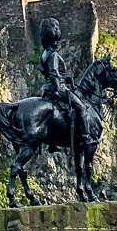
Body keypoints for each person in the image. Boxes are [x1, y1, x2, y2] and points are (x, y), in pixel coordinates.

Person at [37, 18, 90, 153]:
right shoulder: (54, 55)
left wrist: (66, 78)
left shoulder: (44, 54)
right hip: (58, 88)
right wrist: (58, 89)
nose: (58, 44)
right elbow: (54, 74)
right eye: (56, 41)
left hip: (47, 88)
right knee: (82, 107)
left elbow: (48, 73)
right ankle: (85, 138)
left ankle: (52, 141)